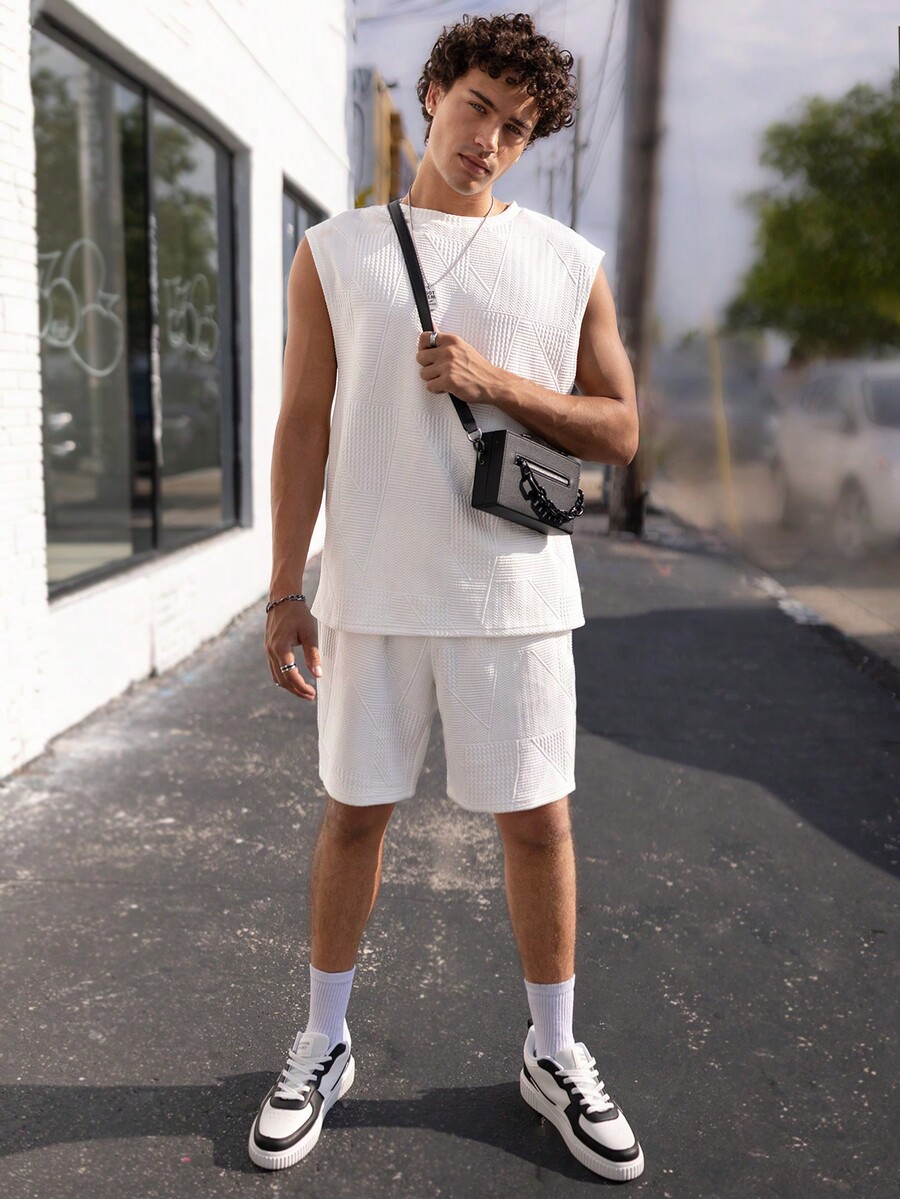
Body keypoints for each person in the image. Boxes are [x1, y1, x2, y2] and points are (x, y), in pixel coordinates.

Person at [251, 11, 643, 1183]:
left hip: (516, 594)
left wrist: (493, 378)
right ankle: (323, 1042)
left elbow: (619, 429)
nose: (489, 139)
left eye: (516, 128)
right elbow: (303, 424)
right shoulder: (334, 250)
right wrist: (283, 588)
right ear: (434, 92)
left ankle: (554, 1050)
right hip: (369, 591)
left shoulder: (568, 261)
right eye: (477, 107)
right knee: (352, 815)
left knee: (540, 825)